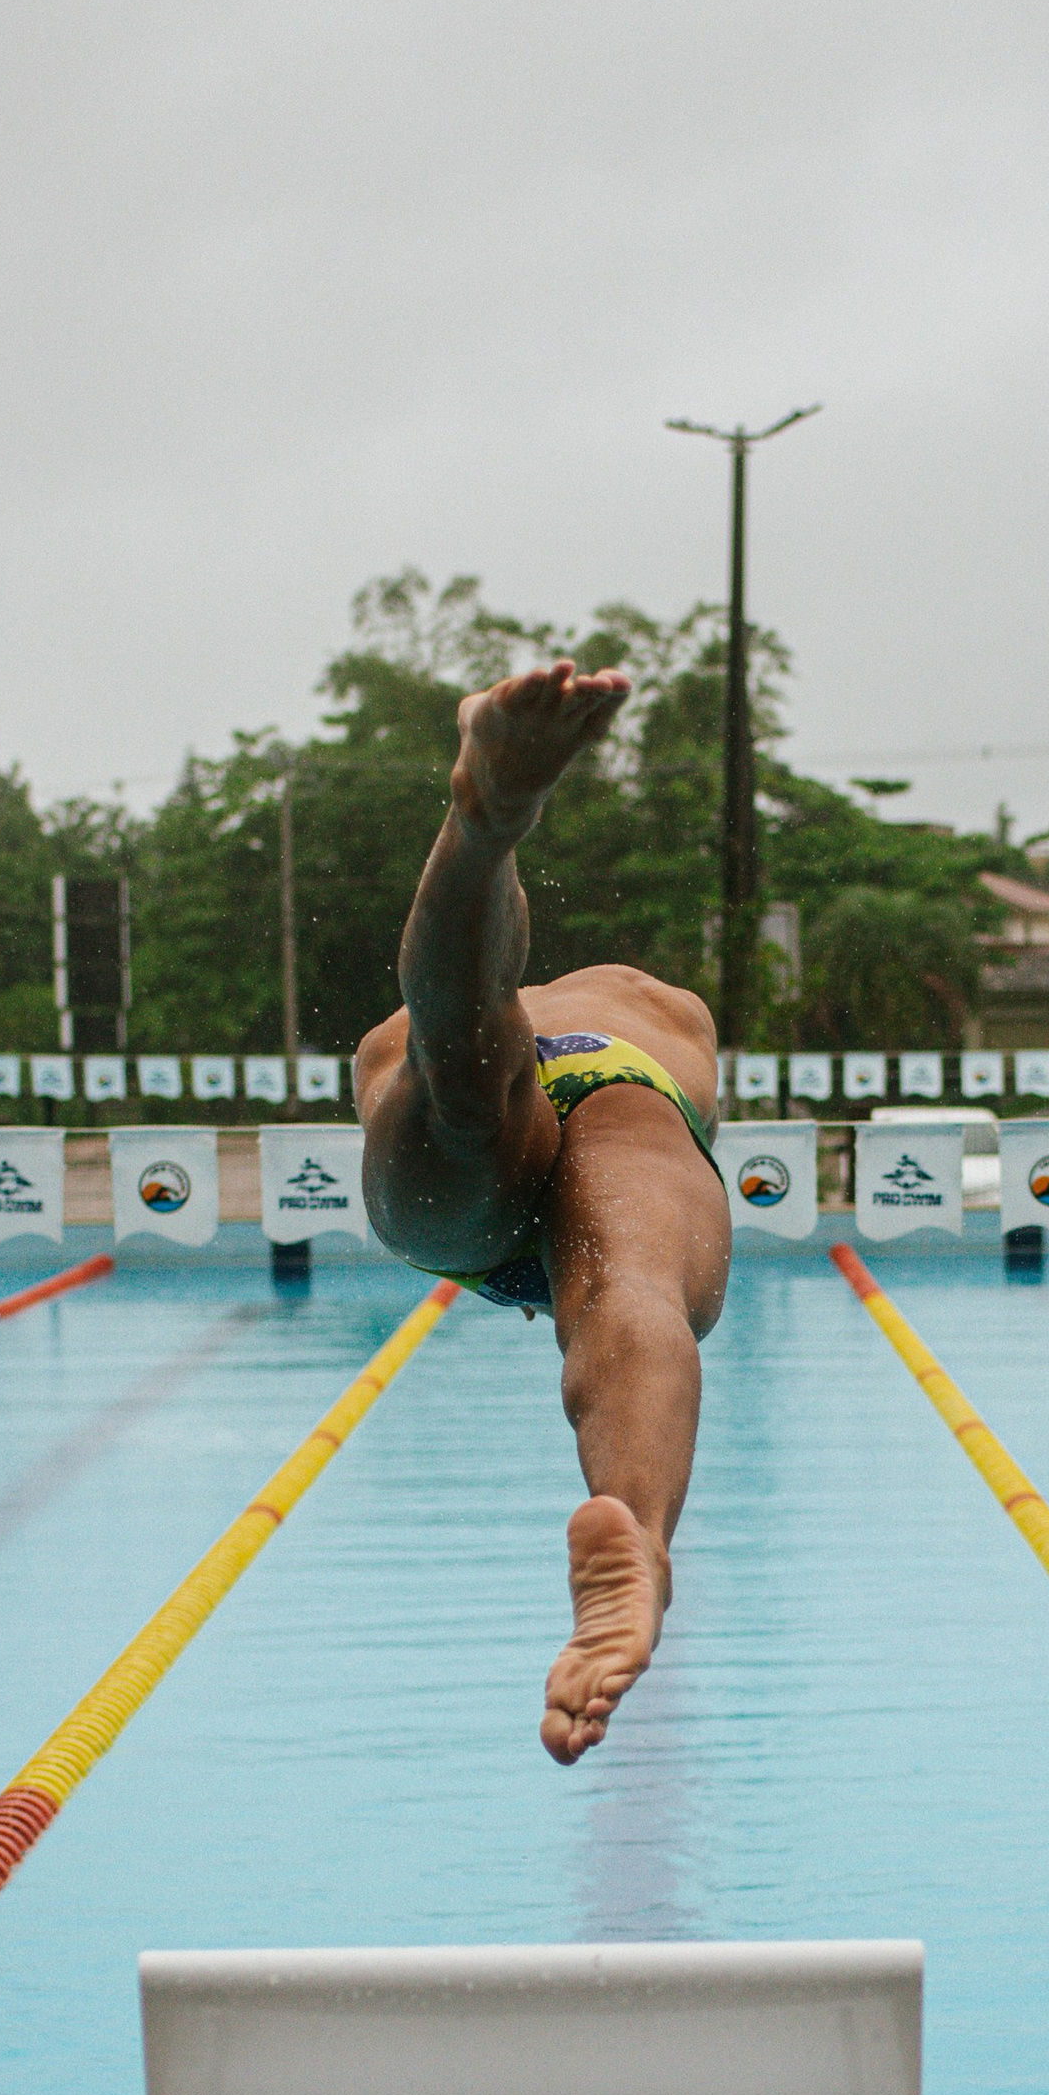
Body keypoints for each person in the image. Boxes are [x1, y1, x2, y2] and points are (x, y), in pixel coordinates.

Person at [355, 658, 732, 1765]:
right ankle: (642, 1548)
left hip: (463, 1095)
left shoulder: (609, 998)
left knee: (466, 1073)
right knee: (631, 1290)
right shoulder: (666, 1006)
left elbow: (461, 1009)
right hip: (633, 1088)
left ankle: (485, 825)